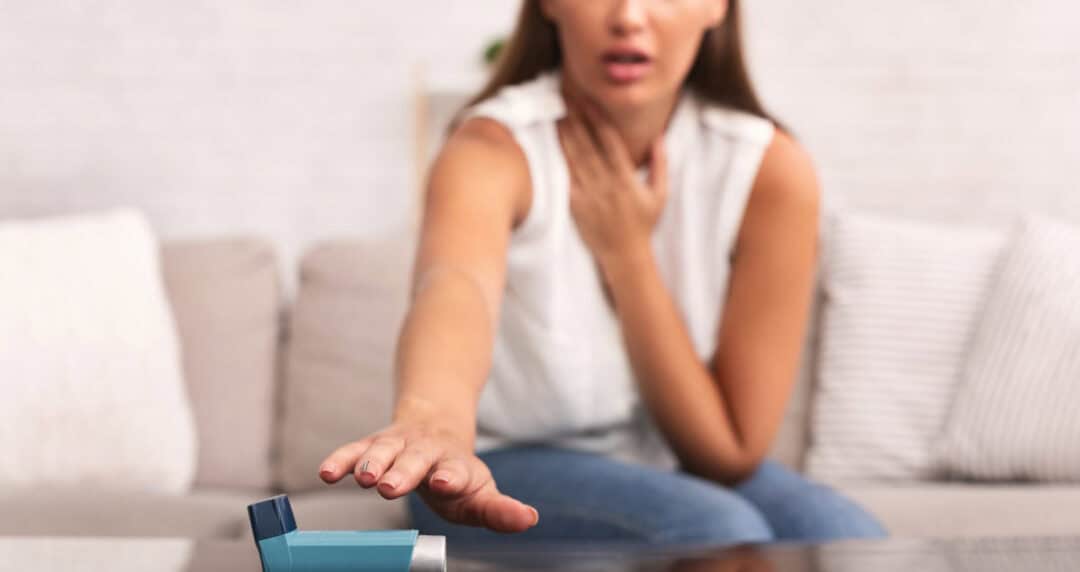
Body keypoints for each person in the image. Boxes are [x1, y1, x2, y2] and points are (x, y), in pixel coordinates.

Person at [319, 0, 887, 545]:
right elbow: (456, 285)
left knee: (852, 541)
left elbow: (730, 453)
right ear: (549, 3)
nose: (628, 16)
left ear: (718, 5)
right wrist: (434, 423)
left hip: (666, 462)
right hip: (501, 459)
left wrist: (628, 255)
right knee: (715, 531)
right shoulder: (490, 148)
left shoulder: (770, 167)